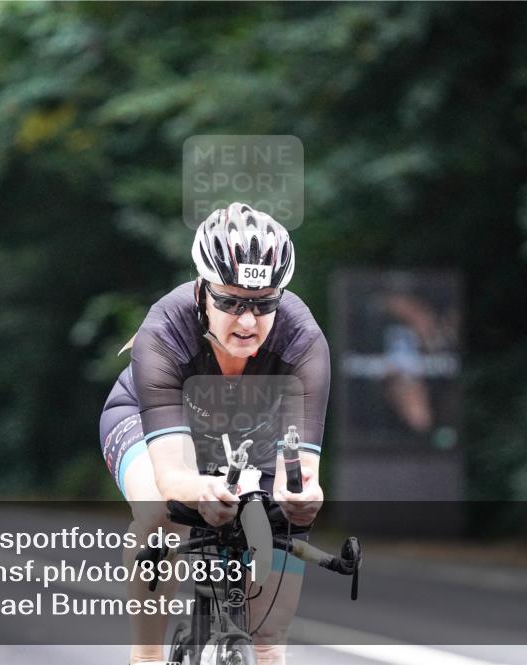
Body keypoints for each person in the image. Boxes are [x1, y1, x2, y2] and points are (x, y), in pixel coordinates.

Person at [100, 203, 329, 665]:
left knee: (283, 524)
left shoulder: (302, 340)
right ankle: (145, 655)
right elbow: (170, 475)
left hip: (250, 428)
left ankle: (264, 651)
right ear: (202, 290)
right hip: (154, 424)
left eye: (264, 303)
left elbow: (301, 474)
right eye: (231, 301)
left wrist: (300, 496)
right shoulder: (163, 331)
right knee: (163, 514)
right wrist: (201, 489)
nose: (248, 322)